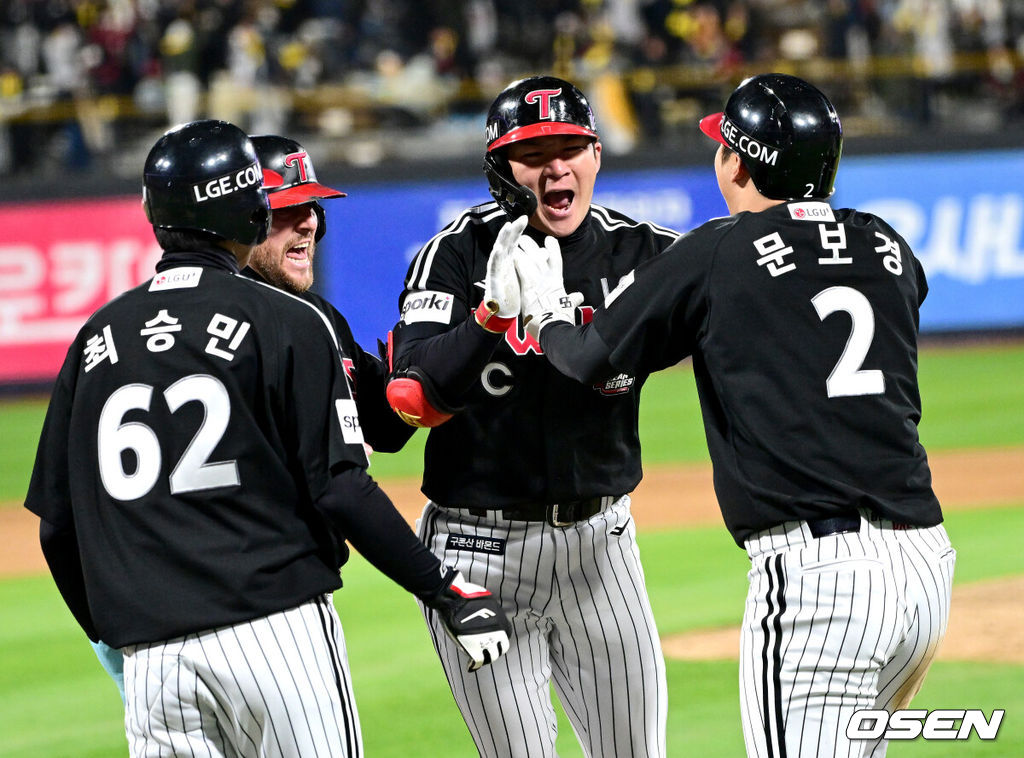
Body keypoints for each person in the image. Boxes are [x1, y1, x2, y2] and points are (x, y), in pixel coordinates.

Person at [24, 119, 511, 758]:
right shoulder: (287, 320)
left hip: (153, 662)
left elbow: (58, 528)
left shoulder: (97, 337)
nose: (304, 223)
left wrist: (116, 636)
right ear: (246, 212)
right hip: (274, 633)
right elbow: (339, 485)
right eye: (279, 208)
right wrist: (443, 587)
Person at [516, 73, 956, 758]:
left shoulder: (718, 250)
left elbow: (584, 359)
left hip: (820, 581)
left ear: (739, 162)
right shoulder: (888, 244)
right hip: (927, 566)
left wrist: (544, 312)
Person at [386, 75, 680, 758]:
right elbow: (413, 401)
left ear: (597, 156)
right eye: (533, 152)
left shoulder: (643, 253)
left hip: (601, 550)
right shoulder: (453, 256)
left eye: (571, 146)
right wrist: (489, 314)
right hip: (477, 553)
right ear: (500, 171)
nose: (556, 166)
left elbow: (740, 309)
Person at [246, 133, 415, 454]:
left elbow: (387, 431)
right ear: (245, 221)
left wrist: (457, 344)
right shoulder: (221, 318)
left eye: (311, 207)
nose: (308, 223)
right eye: (287, 209)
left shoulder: (323, 318)